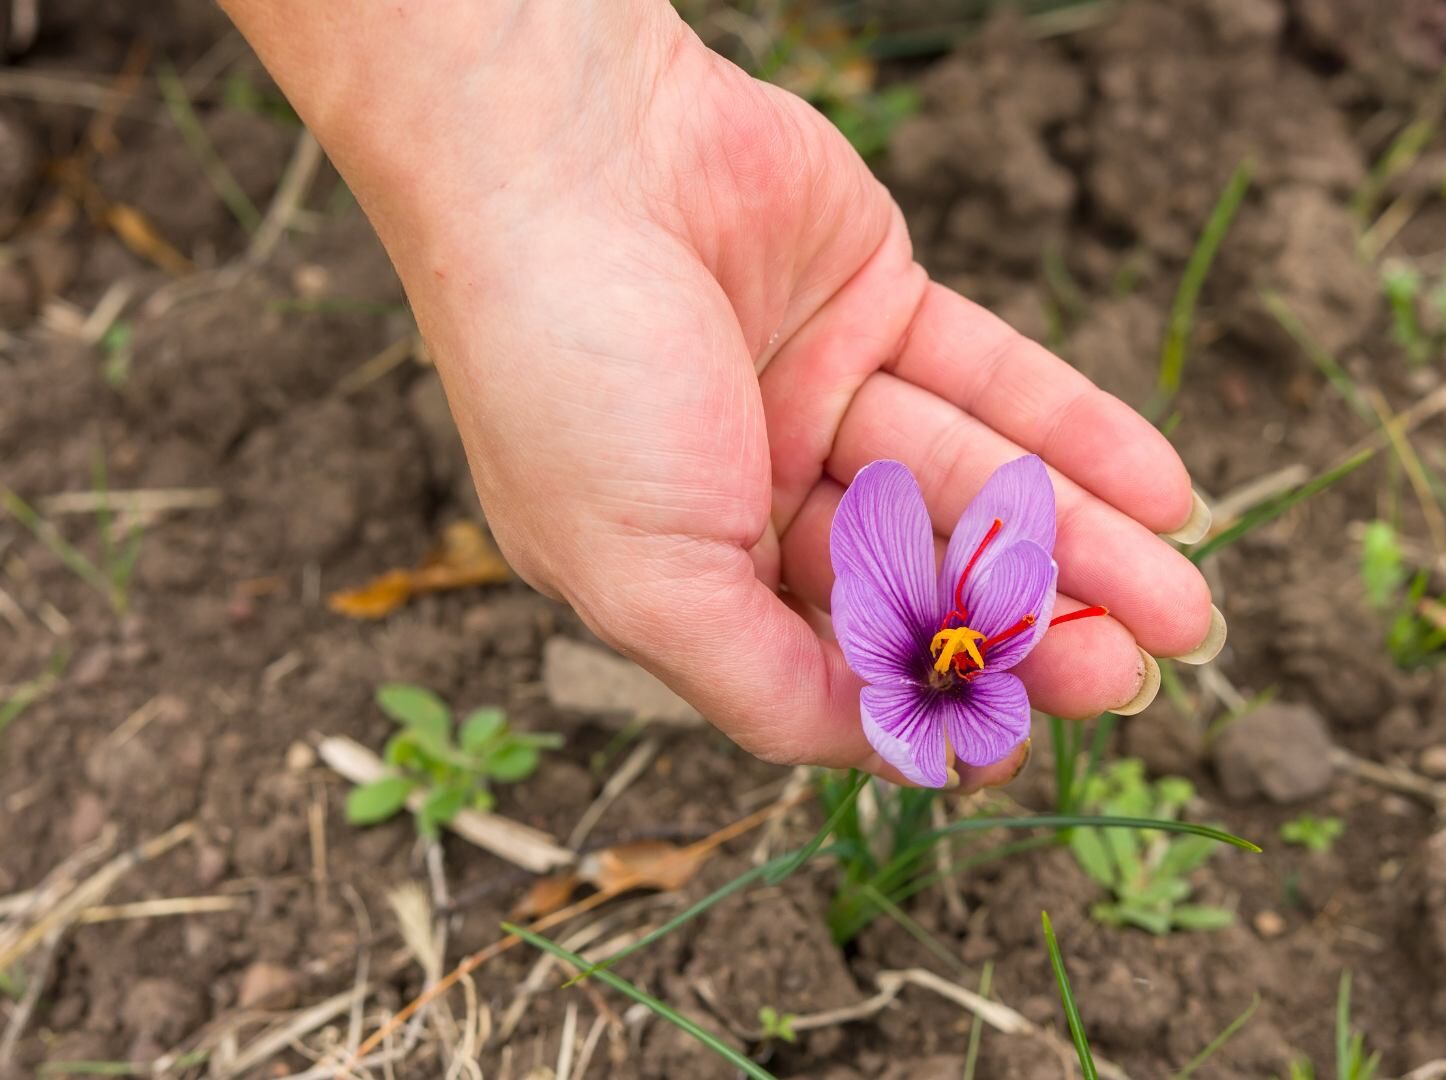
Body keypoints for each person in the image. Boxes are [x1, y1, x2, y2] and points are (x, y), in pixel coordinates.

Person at [216, 0, 1224, 790]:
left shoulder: (969, 663)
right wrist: (535, 166)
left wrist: (545, 110)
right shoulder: (921, 661)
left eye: (959, 650)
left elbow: (995, 575)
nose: (957, 650)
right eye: (959, 648)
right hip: (908, 692)